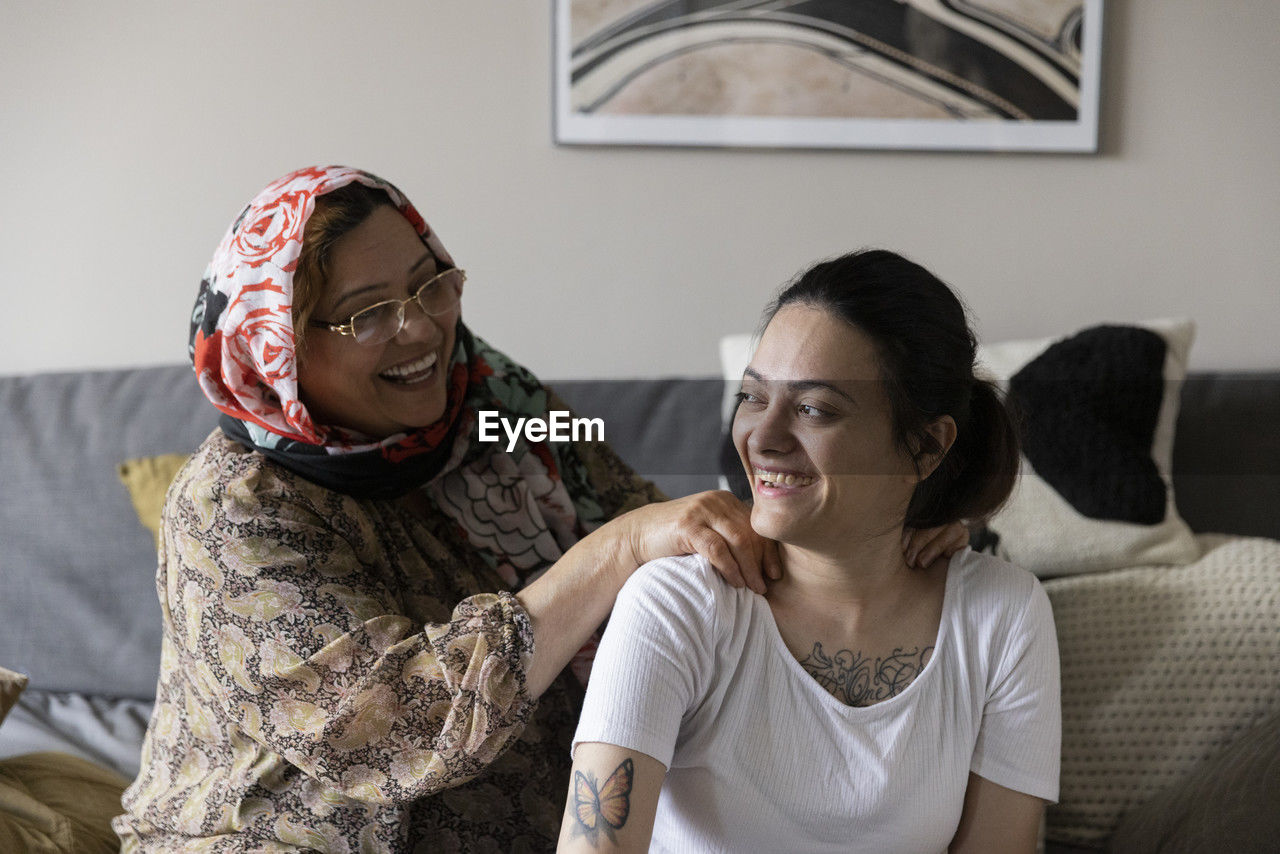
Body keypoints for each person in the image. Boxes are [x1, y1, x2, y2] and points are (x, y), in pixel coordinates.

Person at [112, 168, 965, 852]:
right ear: (279, 345)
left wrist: (875, 526)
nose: (420, 331)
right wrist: (615, 551)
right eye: (367, 314)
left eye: (431, 284)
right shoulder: (231, 510)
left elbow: (683, 536)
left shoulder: (498, 399)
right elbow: (385, 729)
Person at [560, 250, 1061, 854]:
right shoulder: (675, 605)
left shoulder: (1002, 613)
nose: (763, 439)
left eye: (813, 408)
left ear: (927, 447)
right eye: (752, 396)